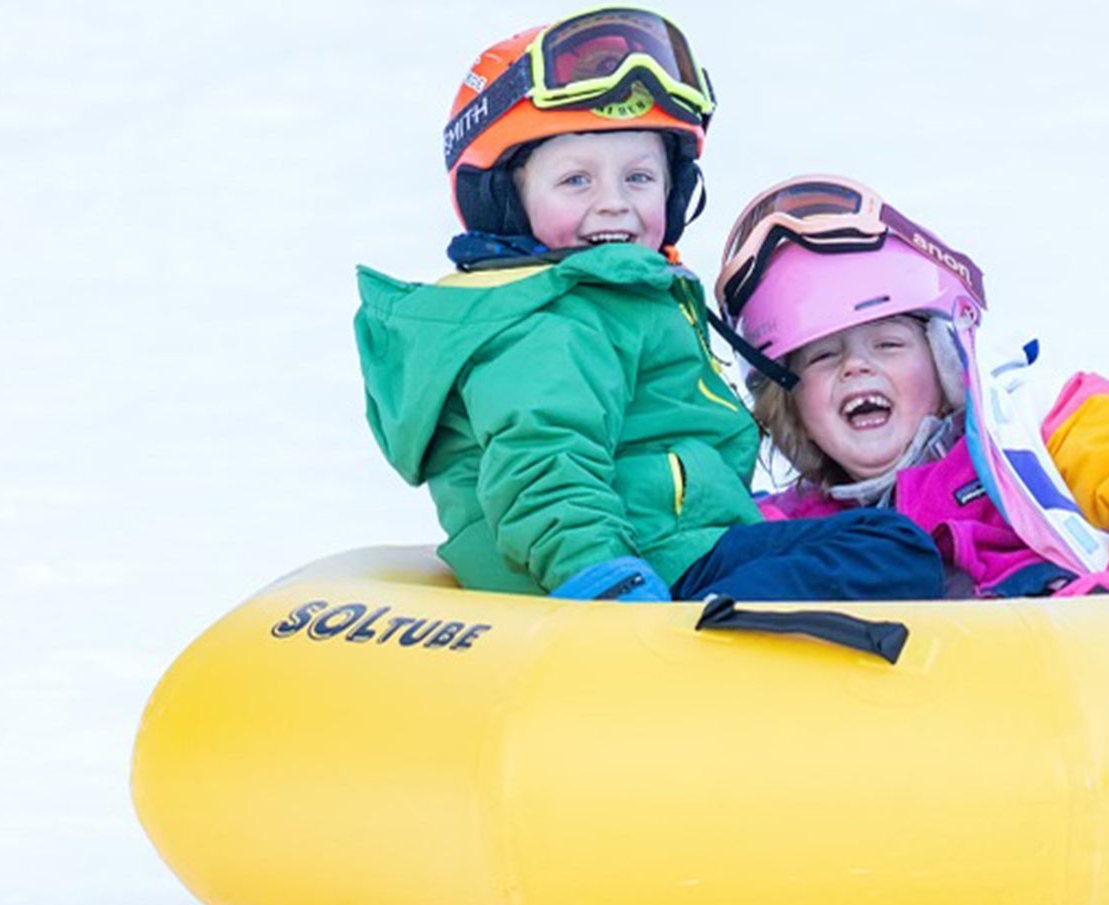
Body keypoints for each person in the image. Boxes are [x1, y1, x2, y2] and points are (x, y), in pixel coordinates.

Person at [351, 11, 944, 604]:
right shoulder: (546, 324)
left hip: (670, 550)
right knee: (892, 549)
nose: (614, 204)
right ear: (505, 199)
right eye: (576, 181)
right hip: (638, 569)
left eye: (639, 177)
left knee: (876, 540)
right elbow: (544, 467)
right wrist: (611, 586)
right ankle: (716, 636)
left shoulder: (608, 303)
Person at [715, 174, 1109, 598]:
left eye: (889, 344)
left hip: (1072, 667)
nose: (856, 368)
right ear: (791, 406)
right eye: (824, 356)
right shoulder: (789, 525)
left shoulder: (1043, 427)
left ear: (947, 361)